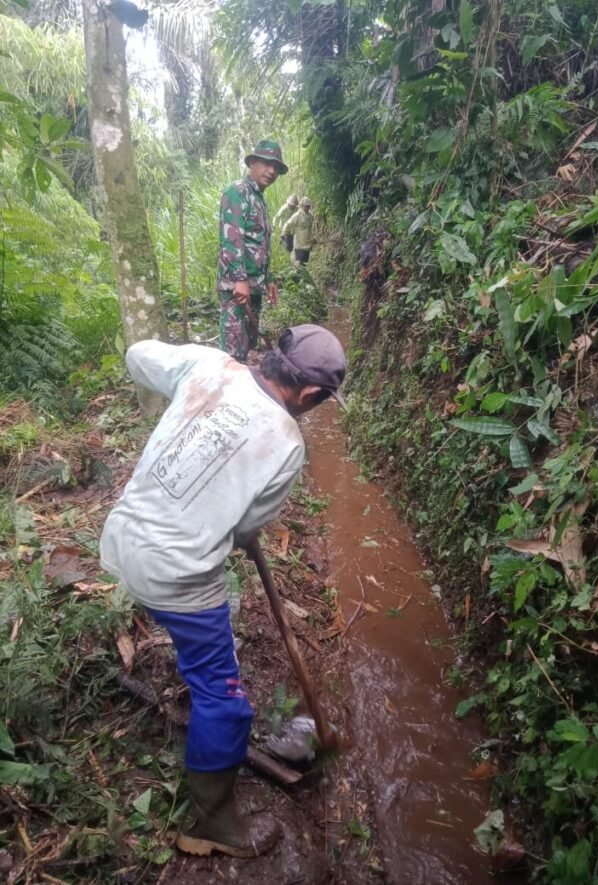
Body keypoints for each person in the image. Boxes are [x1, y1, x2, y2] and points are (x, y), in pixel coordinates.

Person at [99, 325, 346, 859]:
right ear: (309, 393)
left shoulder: (209, 365)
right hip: (176, 575)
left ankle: (197, 666)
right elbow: (243, 531)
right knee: (227, 703)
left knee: (214, 620)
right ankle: (211, 823)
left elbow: (138, 353)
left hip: (121, 542)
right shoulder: (286, 442)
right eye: (322, 400)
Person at [217, 139, 288, 362]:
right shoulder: (237, 192)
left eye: (276, 167)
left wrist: (269, 279)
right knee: (232, 354)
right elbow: (231, 239)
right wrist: (240, 280)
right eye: (266, 163)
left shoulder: (259, 199)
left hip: (254, 287)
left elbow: (260, 244)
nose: (271, 171)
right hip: (237, 288)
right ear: (252, 163)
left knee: (247, 345)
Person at [282, 196, 313, 265]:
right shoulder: (297, 215)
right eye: (306, 206)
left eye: (308, 206)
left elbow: (311, 228)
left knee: (304, 262)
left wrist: (312, 238)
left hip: (307, 242)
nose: (307, 208)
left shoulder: (311, 216)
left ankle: (301, 270)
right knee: (298, 261)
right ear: (302, 206)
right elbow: (288, 223)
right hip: (299, 243)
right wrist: (284, 233)